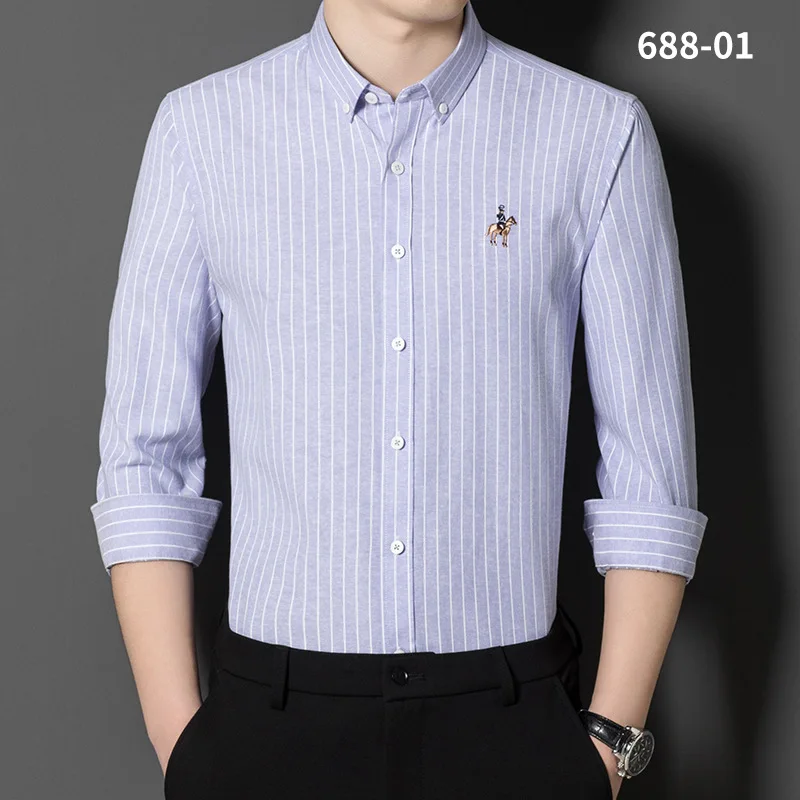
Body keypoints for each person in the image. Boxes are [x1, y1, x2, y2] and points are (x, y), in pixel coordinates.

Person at [89, 1, 709, 798]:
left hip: (513, 730)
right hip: (268, 730)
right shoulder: (202, 129)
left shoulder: (596, 130)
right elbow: (146, 459)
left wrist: (606, 747)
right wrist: (185, 745)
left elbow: (651, 472)